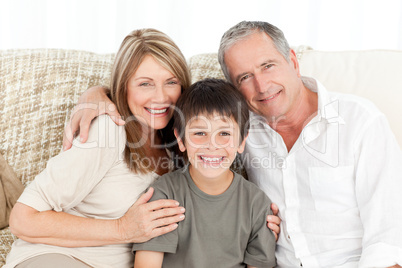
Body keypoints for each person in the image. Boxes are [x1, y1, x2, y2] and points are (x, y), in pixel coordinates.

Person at [66, 21, 402, 267]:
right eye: (244, 77)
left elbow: (388, 237)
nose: (261, 85)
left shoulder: (360, 123)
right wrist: (97, 95)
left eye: (268, 66)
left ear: (294, 61)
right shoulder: (238, 125)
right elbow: (180, 106)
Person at [5, 28, 191, 268]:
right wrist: (122, 229)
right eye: (145, 84)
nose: (160, 97)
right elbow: (22, 219)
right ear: (123, 87)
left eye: (171, 82)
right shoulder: (108, 130)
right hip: (58, 257)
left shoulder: (182, 146)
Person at [133, 78, 277, 268]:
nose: (212, 144)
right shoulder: (164, 194)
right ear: (181, 140)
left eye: (224, 134)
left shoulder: (257, 204)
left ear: (242, 141)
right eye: (200, 133)